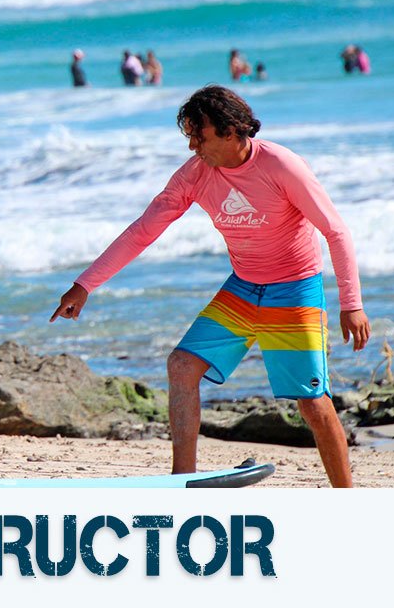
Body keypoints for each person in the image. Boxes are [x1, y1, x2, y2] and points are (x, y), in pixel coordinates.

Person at [50, 85, 370, 488]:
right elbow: (142, 232)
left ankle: (348, 499)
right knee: (182, 366)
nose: (192, 148)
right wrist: (85, 285)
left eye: (199, 137)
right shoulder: (196, 175)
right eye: (189, 138)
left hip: (294, 289)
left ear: (232, 131)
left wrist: (351, 303)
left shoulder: (281, 166)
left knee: (312, 403)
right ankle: (182, 480)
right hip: (243, 287)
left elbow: (336, 231)